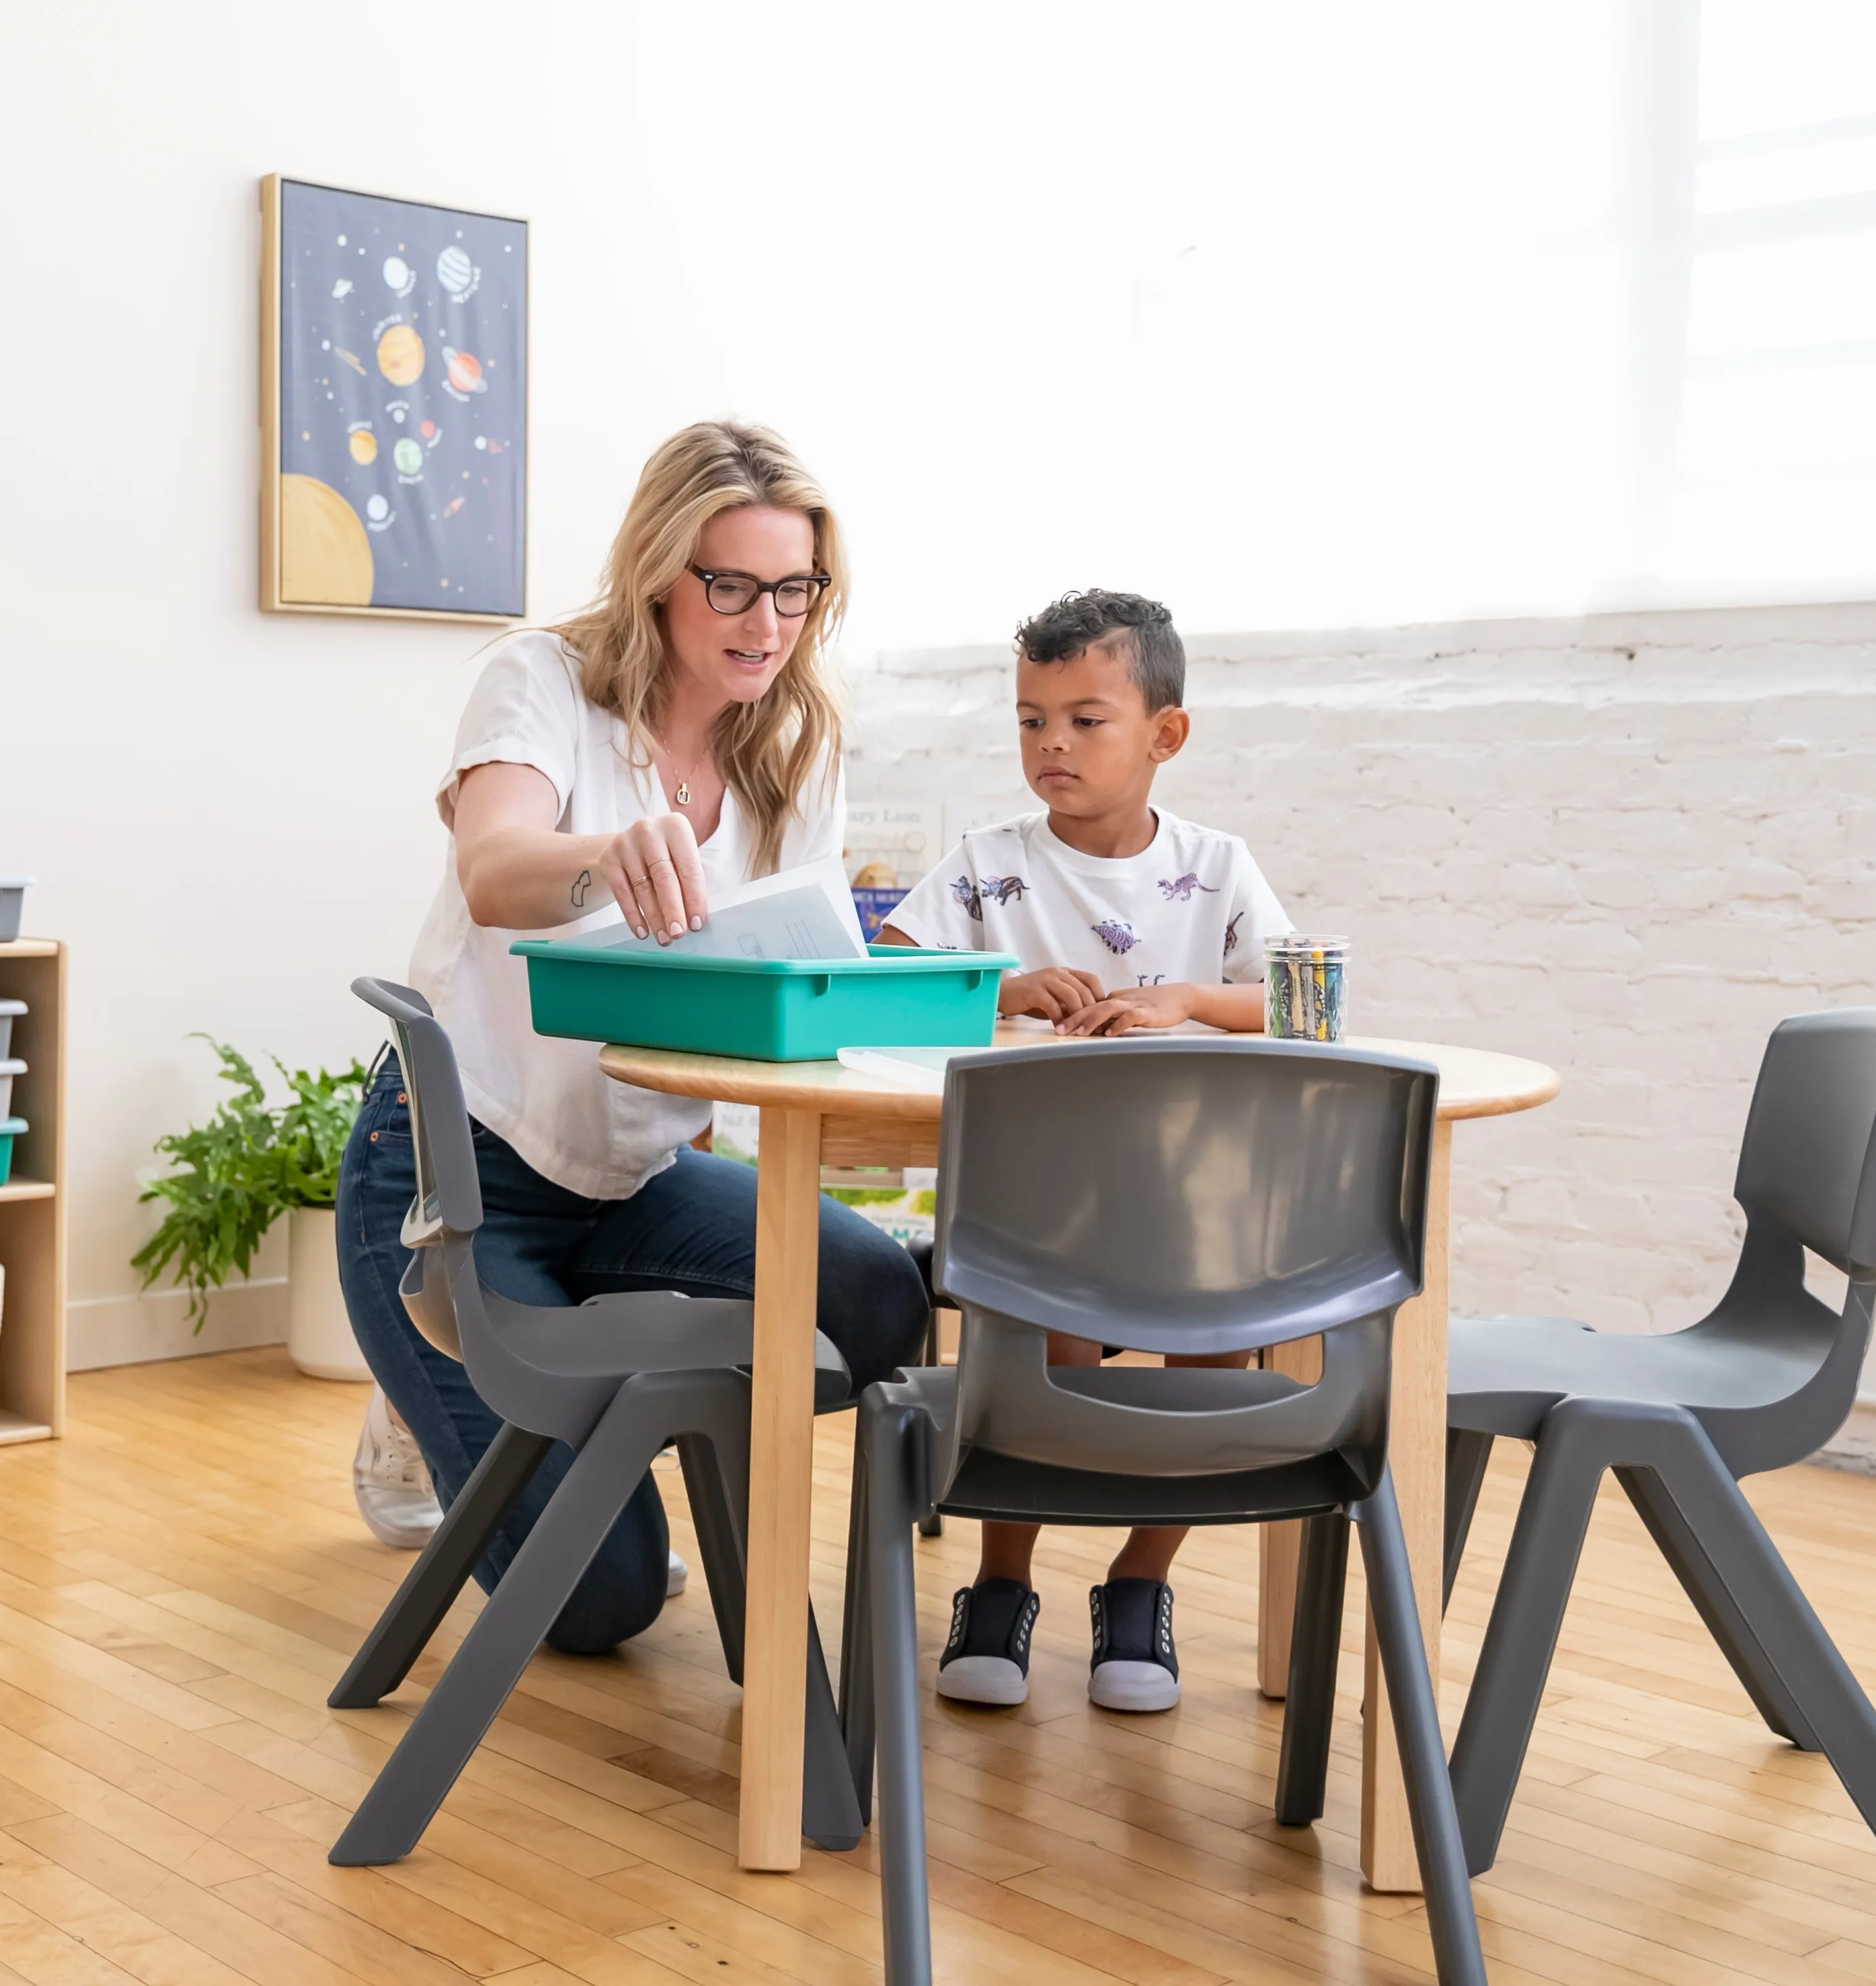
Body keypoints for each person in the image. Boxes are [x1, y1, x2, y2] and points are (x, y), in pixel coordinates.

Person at [336, 419, 929, 1654]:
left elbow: (793, 967)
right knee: (601, 1608)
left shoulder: (793, 746)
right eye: (731, 585)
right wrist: (605, 857)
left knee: (877, 1298)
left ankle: (590, 1396)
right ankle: (431, 1392)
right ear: (661, 572)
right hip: (457, 1177)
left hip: (636, 1182)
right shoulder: (542, 679)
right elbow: (496, 868)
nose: (765, 621)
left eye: (794, 588)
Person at [878, 588, 1293, 1712]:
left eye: (1085, 719)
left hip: (1195, 1210)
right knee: (1036, 1349)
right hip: (1036, 1214)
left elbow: (1308, 1001)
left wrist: (1190, 1000)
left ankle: (1137, 1582)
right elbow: (884, 980)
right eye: (1029, 719)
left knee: (1219, 1353)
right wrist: (1001, 984)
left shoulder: (1217, 868)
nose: (1051, 744)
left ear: (1166, 734)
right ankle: (1001, 1583)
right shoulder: (983, 862)